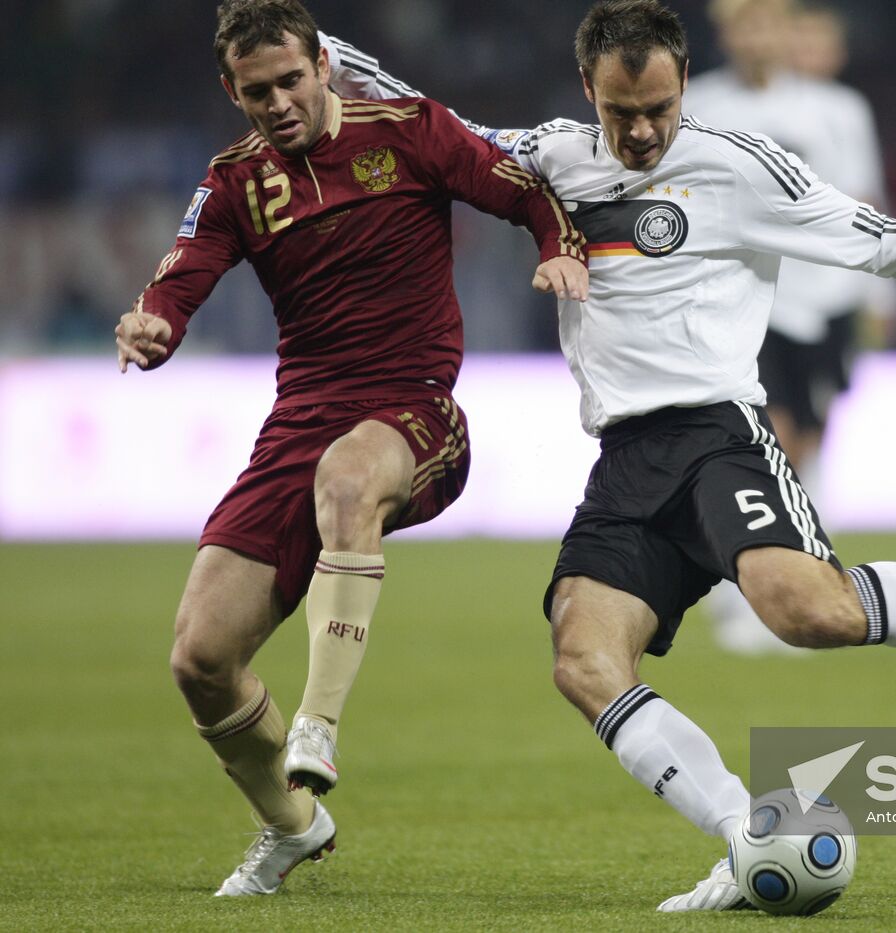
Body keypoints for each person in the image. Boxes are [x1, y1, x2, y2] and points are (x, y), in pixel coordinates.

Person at [327, 0, 896, 912]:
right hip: (624, 456)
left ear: (683, 82)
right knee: (584, 659)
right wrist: (323, 50)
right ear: (588, 93)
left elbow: (886, 241)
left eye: (659, 109)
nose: (642, 131)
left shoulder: (736, 166)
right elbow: (432, 122)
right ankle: (744, 836)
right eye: (621, 113)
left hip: (719, 431)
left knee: (806, 613)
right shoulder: (554, 156)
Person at [115, 0, 587, 897]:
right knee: (200, 658)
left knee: (348, 476)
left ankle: (319, 723)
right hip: (300, 422)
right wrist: (154, 324)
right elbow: (183, 277)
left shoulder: (409, 131)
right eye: (258, 92)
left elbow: (524, 189)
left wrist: (561, 249)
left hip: (416, 410)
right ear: (233, 92)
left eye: (292, 79)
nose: (280, 102)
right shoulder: (233, 182)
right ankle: (291, 825)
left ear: (324, 64)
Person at [686, 0, 896, 654]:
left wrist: (878, 295)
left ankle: (780, 576)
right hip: (747, 299)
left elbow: (864, 204)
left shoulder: (837, 109)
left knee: (805, 441)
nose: (757, 37)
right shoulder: (699, 104)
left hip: (826, 296)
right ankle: (742, 588)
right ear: (727, 34)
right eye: (744, 24)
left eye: (768, 24)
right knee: (768, 437)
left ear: (786, 32)